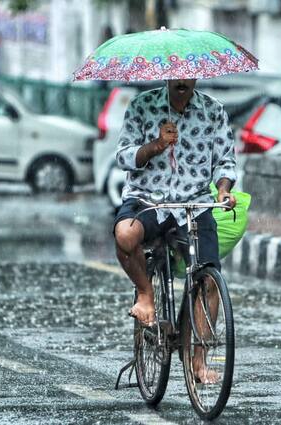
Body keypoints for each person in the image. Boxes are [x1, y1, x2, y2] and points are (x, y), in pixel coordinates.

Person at [113, 79, 237, 384]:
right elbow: (124, 157)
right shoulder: (143, 106)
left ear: (194, 77)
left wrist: (223, 191)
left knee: (209, 279)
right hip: (148, 199)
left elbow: (226, 163)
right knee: (125, 235)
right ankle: (145, 294)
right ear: (168, 77)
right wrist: (156, 145)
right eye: (176, 74)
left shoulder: (213, 110)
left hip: (194, 205)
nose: (182, 80)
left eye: (188, 74)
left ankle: (198, 361)